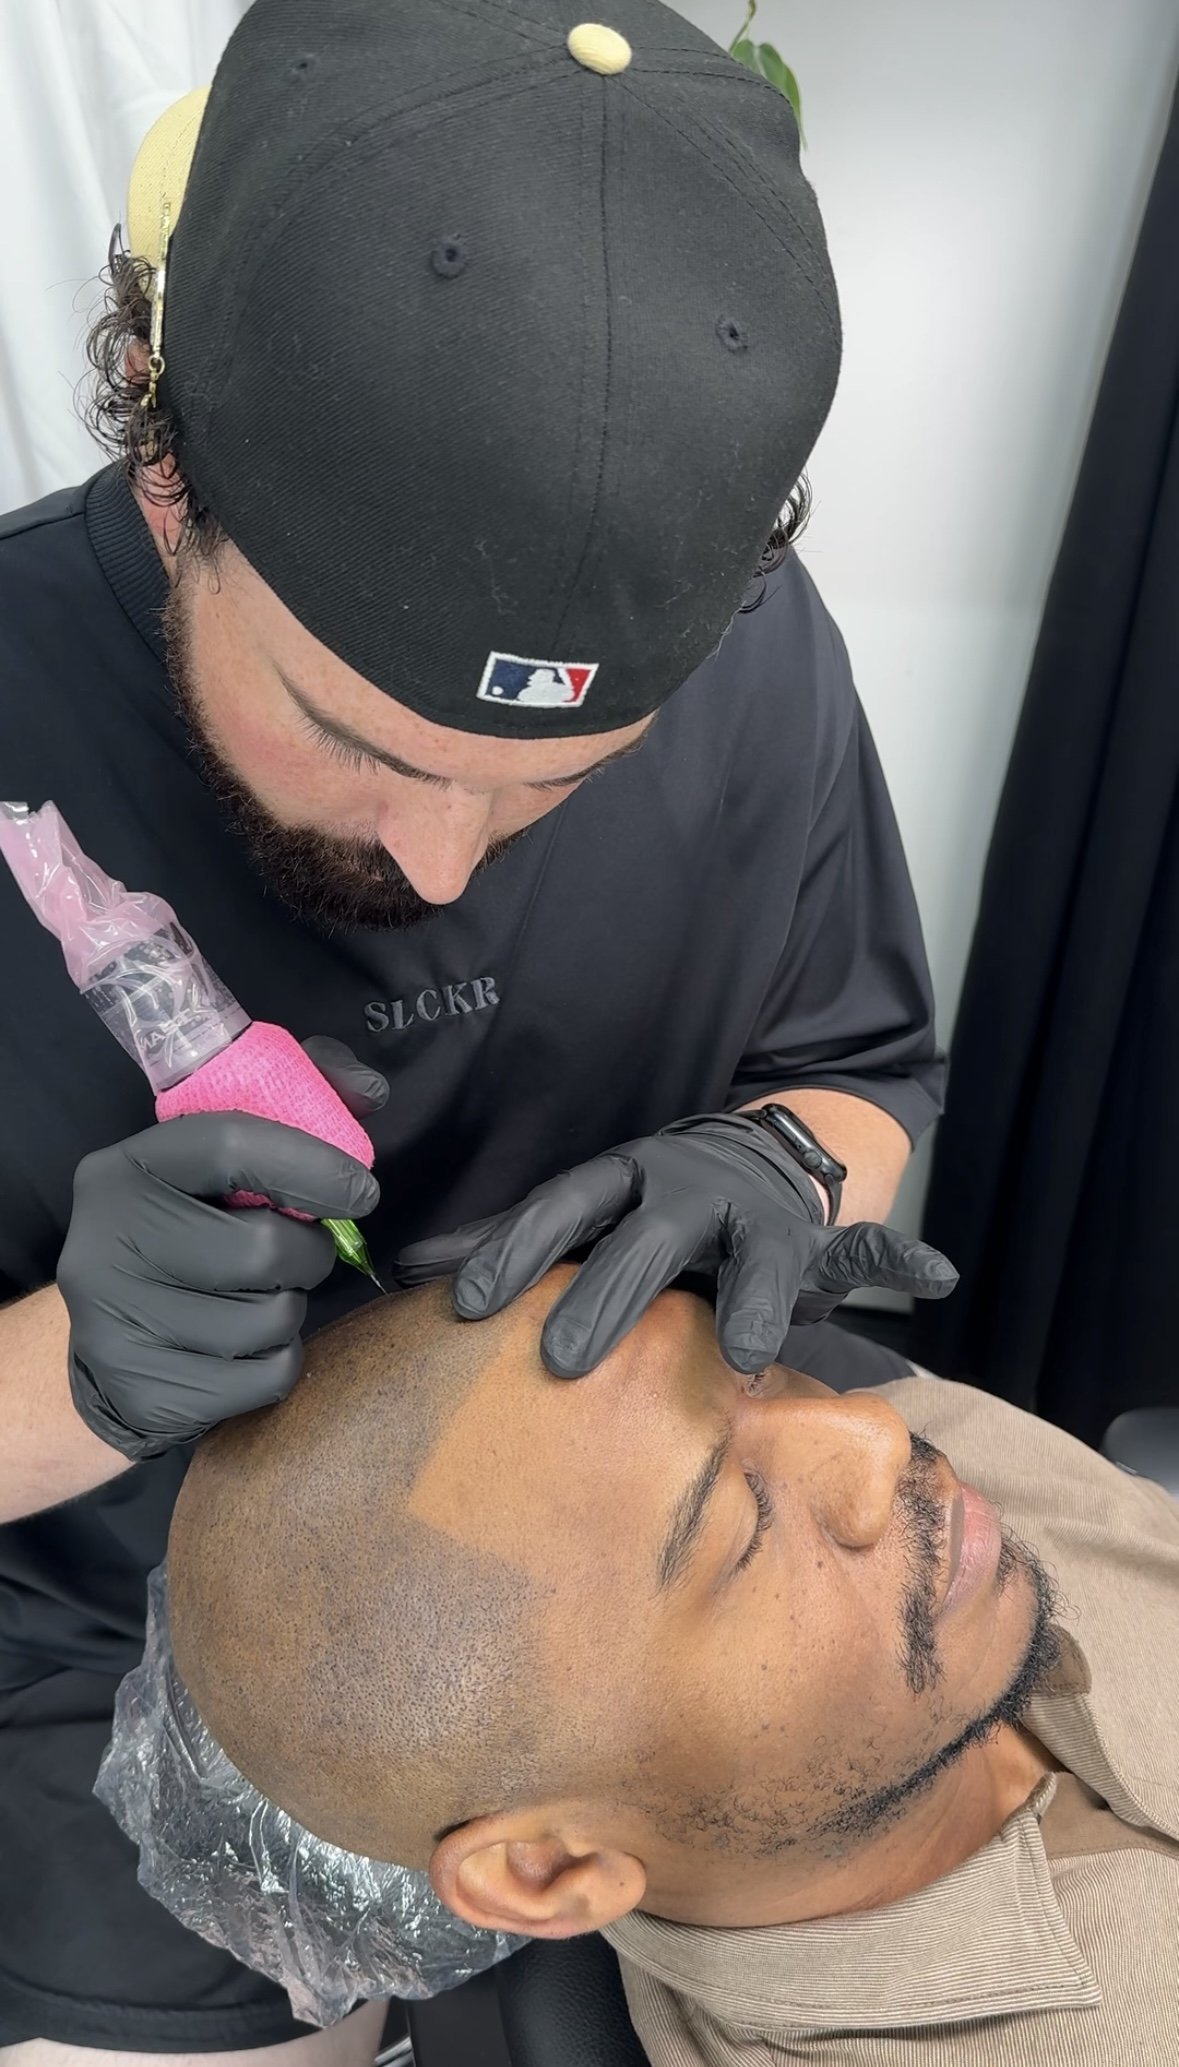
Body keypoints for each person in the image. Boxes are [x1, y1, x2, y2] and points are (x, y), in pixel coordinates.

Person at [0, 0, 956, 2058]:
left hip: (657, 1690)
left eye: (556, 785)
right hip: (106, 1705)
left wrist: (781, 1168)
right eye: (354, 737)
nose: (441, 860)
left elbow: (855, 1073)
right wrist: (71, 1372)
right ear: (169, 478)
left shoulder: (756, 660)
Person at [167, 1273, 1179, 2065]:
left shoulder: (947, 1481)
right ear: (550, 1872)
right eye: (745, 1531)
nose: (878, 1433)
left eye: (758, 1371)